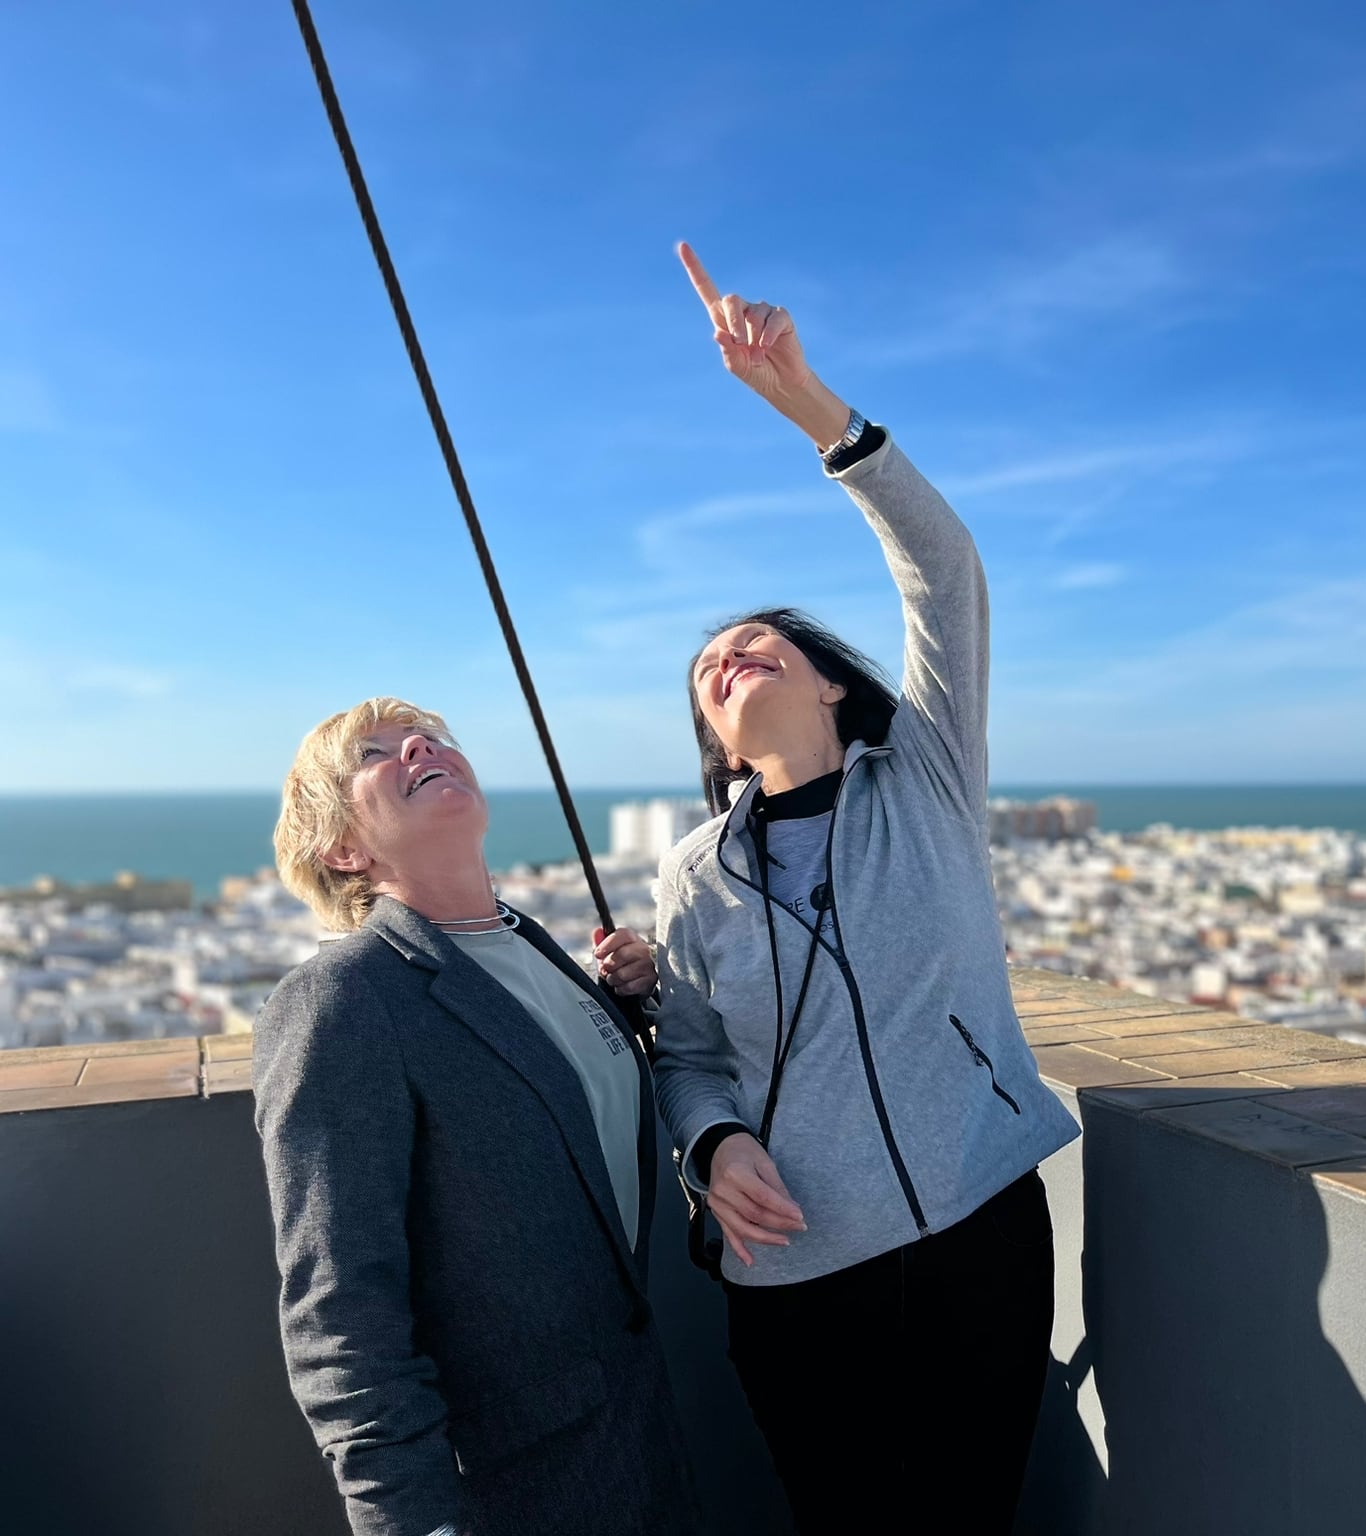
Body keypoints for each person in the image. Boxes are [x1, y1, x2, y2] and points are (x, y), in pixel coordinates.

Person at [651, 243, 1080, 1535]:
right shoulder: (691, 876)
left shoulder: (930, 778)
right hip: (793, 1272)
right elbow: (690, 1054)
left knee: (972, 1514)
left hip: (980, 1230)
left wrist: (809, 405)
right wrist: (712, 1146)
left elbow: (946, 574)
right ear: (720, 747)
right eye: (709, 669)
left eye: (758, 639)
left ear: (832, 683)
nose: (730, 652)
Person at [252, 698, 697, 1536]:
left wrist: (628, 1014)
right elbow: (339, 1308)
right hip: (509, 1484)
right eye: (374, 754)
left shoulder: (531, 948)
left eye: (432, 737)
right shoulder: (341, 1000)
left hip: (638, 1441)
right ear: (343, 848)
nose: (422, 744)